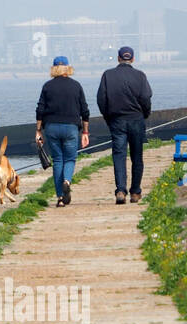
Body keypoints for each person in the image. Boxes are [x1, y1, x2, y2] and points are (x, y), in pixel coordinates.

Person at [97, 45, 153, 205]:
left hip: (117, 120)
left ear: (118, 58)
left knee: (119, 156)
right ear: (133, 59)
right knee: (137, 157)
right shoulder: (140, 76)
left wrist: (108, 117)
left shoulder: (108, 75)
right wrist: (145, 114)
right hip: (136, 119)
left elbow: (101, 99)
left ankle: (121, 190)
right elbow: (146, 98)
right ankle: (135, 192)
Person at [34, 56, 91, 207]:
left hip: (51, 127)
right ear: (68, 67)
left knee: (58, 160)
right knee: (70, 159)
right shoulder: (76, 86)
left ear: (53, 68)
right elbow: (85, 110)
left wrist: (38, 131)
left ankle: (60, 197)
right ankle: (67, 180)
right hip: (71, 127)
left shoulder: (47, 86)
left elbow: (40, 109)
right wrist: (85, 132)